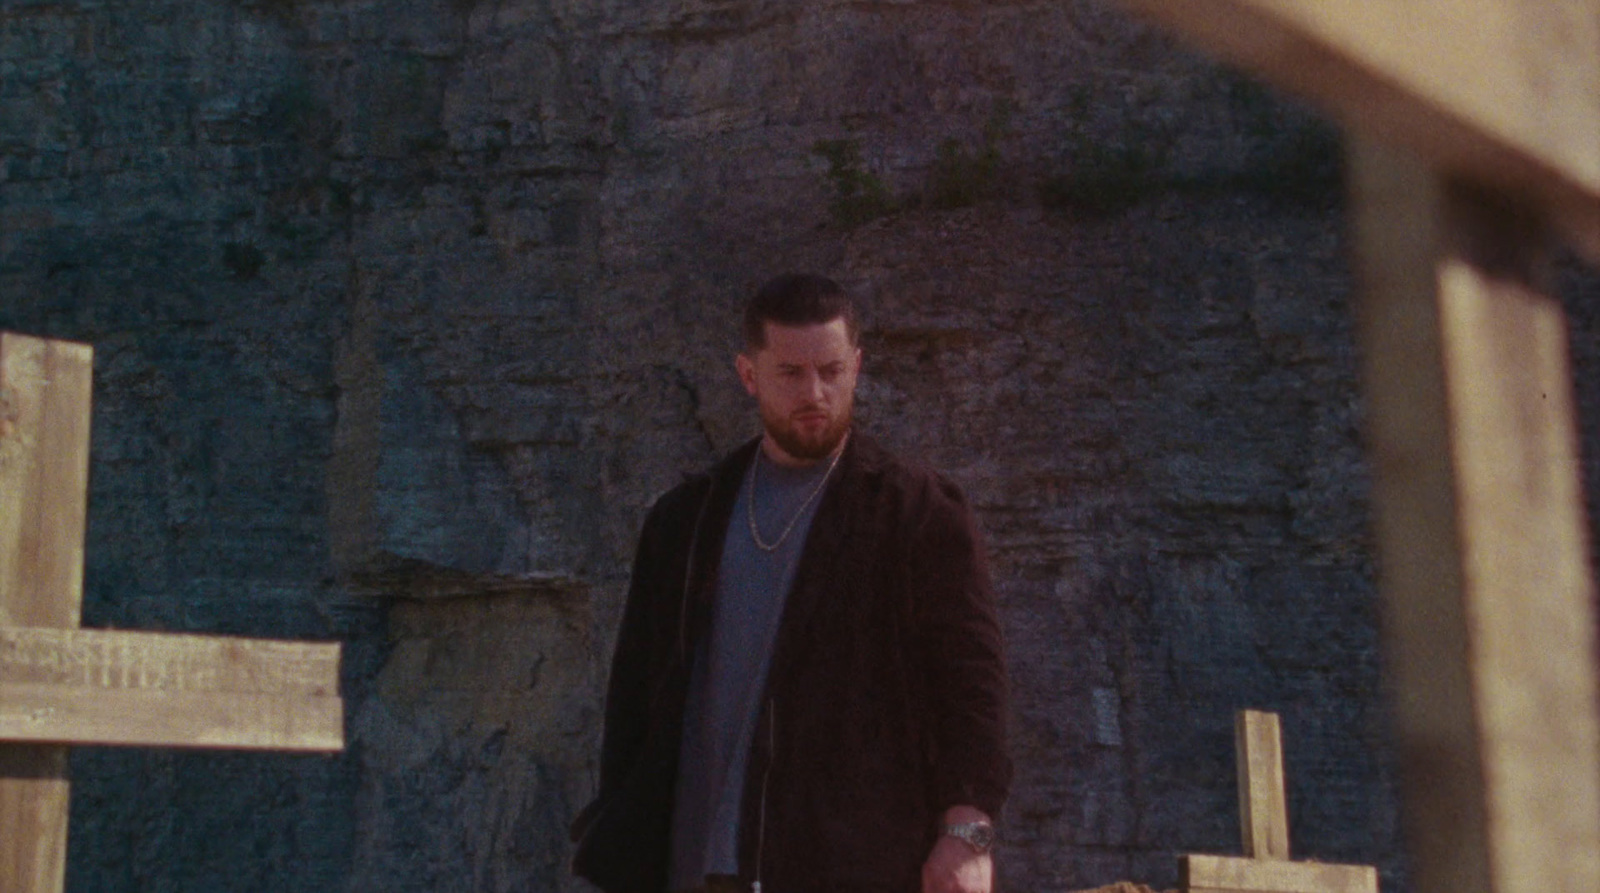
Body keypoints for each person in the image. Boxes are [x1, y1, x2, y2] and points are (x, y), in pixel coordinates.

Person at [570, 273, 1011, 893]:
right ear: (749, 375)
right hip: (691, 868)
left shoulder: (915, 512)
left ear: (857, 366)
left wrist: (967, 835)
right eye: (791, 374)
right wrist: (616, 851)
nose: (815, 392)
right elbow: (634, 705)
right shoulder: (684, 521)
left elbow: (972, 689)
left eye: (832, 371)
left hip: (847, 863)